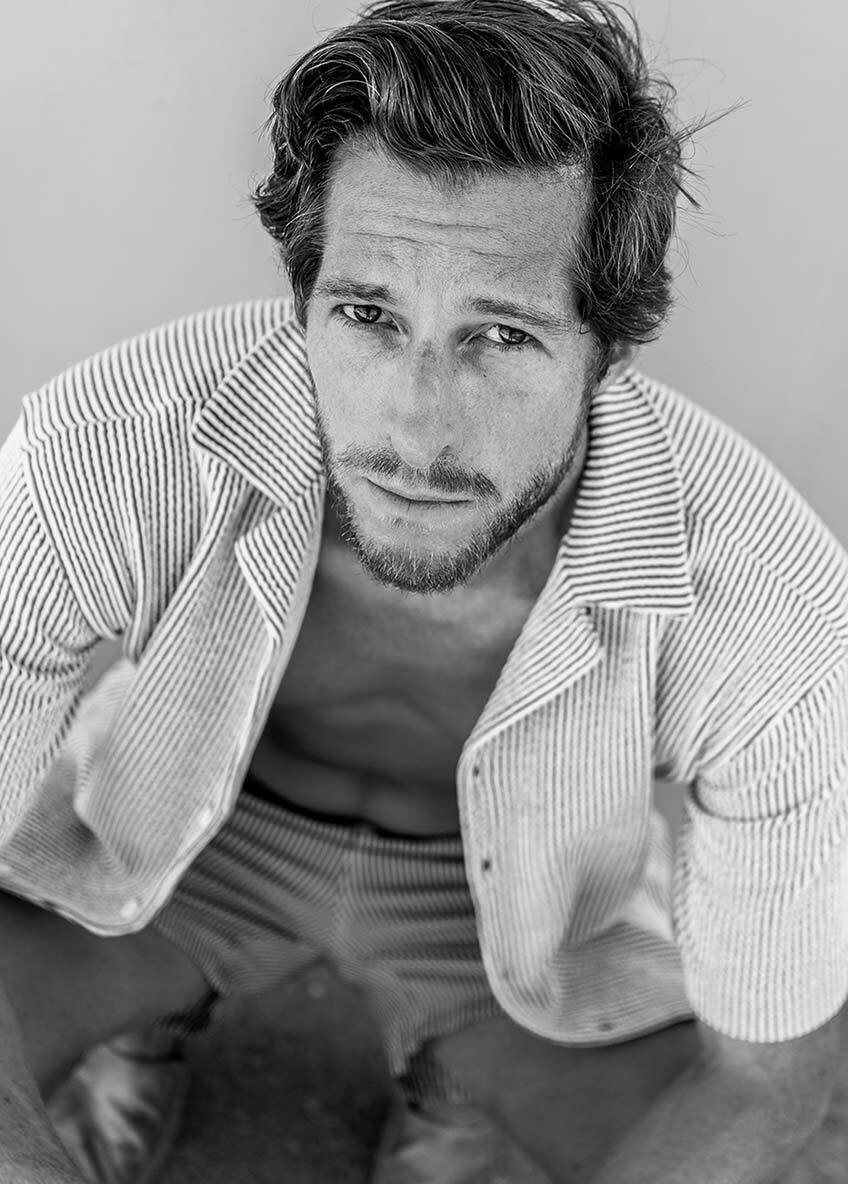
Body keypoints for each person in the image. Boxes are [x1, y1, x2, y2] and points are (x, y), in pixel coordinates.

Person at [0, 0, 845, 1181]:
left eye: (500, 336)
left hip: (519, 923)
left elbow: (764, 1075)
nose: (414, 425)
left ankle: (450, 1069)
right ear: (302, 301)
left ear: (608, 345)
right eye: (366, 315)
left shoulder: (771, 604)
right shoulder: (105, 447)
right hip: (170, 851)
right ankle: (150, 1014)